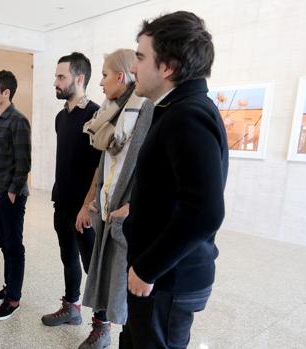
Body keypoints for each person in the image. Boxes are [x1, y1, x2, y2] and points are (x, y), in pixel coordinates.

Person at [121, 11, 229, 348]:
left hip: (167, 278)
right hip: (160, 275)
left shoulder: (188, 115)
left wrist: (148, 268)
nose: (133, 67)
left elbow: (204, 211)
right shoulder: (175, 109)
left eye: (140, 57)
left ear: (167, 67)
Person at [79, 49, 154, 349]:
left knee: (128, 298)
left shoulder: (144, 108)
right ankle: (109, 331)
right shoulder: (114, 111)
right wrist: (94, 199)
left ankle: (116, 333)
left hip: (125, 215)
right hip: (108, 208)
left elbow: (148, 165)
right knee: (112, 286)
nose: (100, 83)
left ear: (120, 77)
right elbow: (107, 163)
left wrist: (130, 206)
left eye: (104, 75)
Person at [41, 53, 101, 332]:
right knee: (68, 258)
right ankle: (71, 307)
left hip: (84, 209)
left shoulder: (96, 115)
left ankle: (101, 324)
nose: (55, 82)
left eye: (61, 77)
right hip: (61, 203)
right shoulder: (60, 117)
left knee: (93, 266)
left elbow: (100, 167)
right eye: (56, 76)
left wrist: (88, 207)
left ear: (79, 79)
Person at [0, 70, 31, 321]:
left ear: (6, 93)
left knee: (13, 246)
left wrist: (12, 192)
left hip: (8, 195)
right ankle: (8, 285)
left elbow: (23, 163)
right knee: (4, 245)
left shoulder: (18, 120)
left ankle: (13, 298)